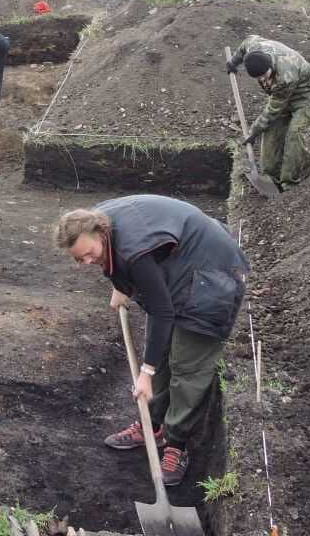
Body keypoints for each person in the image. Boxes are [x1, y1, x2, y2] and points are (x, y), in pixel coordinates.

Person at [54, 195, 250, 486]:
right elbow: (116, 263)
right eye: (78, 258)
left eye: (89, 253)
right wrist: (120, 285)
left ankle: (177, 443)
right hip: (180, 267)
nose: (86, 261)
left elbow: (161, 310)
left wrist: (145, 374)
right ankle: (153, 426)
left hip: (211, 274)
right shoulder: (95, 224)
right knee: (159, 345)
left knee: (187, 366)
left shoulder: (133, 250)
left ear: (99, 232)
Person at [225, 35, 310, 190]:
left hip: (308, 95)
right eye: (259, 78)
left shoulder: (285, 75)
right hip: (283, 96)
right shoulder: (254, 46)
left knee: (295, 132)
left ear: (270, 65)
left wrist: (253, 131)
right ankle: (269, 176)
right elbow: (246, 41)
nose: (263, 80)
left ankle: (289, 180)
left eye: (265, 75)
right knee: (271, 129)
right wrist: (233, 62)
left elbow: (273, 110)